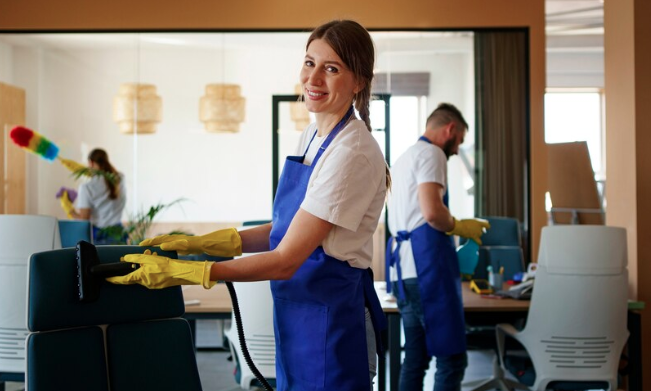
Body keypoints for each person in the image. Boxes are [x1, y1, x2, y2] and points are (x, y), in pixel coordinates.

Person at [107, 20, 389, 391]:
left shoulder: (351, 151)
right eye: (309, 62)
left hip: (330, 320)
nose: (314, 78)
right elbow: (287, 230)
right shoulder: (314, 135)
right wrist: (204, 243)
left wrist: (191, 272)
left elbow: (288, 258)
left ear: (359, 82)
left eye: (331, 68)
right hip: (298, 315)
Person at [385, 103, 490, 391]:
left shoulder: (404, 158)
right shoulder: (432, 153)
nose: (457, 150)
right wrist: (458, 225)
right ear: (450, 130)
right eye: (459, 142)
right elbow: (432, 212)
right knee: (451, 359)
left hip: (404, 271)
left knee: (415, 359)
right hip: (426, 270)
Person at [60, 148, 127, 244]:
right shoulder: (120, 178)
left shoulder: (87, 187)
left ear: (91, 163)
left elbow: (83, 221)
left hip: (101, 237)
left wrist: (69, 209)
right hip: (119, 234)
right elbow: (105, 179)